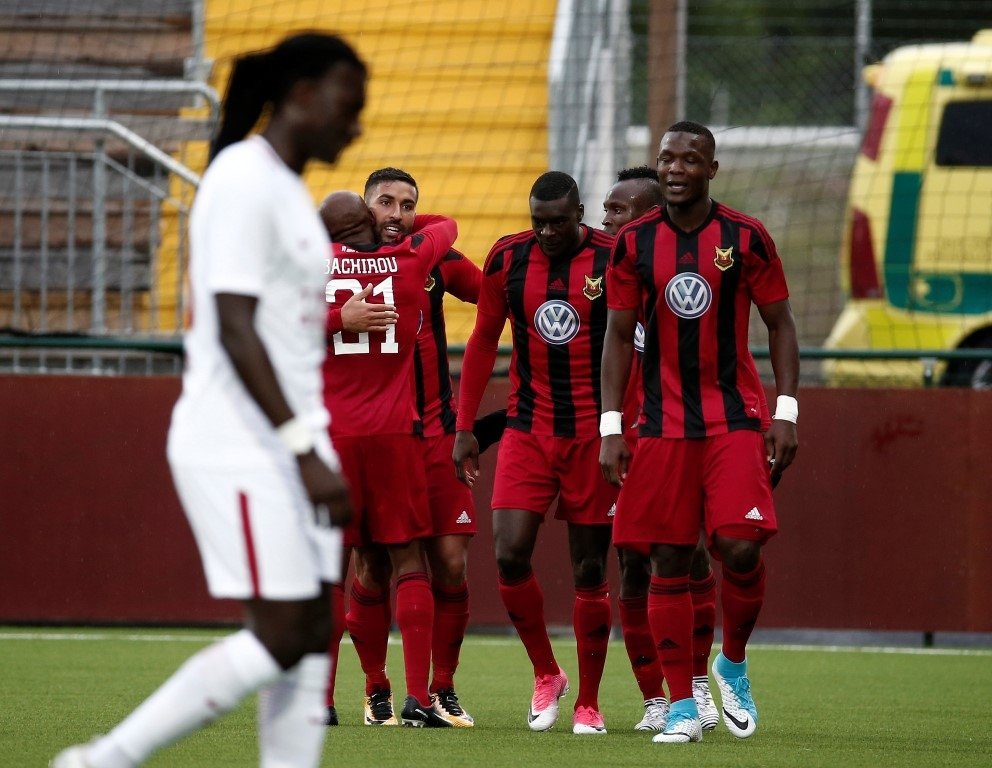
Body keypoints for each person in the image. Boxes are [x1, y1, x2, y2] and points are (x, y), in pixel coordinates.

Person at [52, 33, 366, 768]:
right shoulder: (242, 179)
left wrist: (312, 445)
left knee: (312, 627)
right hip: (241, 444)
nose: (356, 127)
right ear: (301, 97)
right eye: (348, 108)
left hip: (294, 441)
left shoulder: (287, 191)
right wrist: (300, 448)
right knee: (285, 632)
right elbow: (232, 327)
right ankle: (103, 759)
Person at [600, 121, 799, 744]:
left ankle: (731, 664)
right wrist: (612, 425)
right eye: (667, 158)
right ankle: (683, 705)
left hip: (733, 417)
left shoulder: (745, 237)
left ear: (712, 169)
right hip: (659, 424)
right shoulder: (633, 243)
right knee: (665, 557)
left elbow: (781, 324)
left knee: (740, 546)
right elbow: (616, 336)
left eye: (690, 159)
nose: (676, 167)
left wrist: (787, 411)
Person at [328, 168, 498, 729]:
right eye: (385, 202)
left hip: (436, 434)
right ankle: (378, 687)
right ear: (362, 209)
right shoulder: (389, 261)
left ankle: (440, 688)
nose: (397, 213)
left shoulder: (433, 263)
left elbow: (492, 301)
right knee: (372, 566)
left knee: (450, 562)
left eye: (408, 204)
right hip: (387, 432)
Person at [453, 171, 616, 735]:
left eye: (558, 222)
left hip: (596, 432)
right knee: (508, 554)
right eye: (538, 222)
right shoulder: (506, 259)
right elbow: (481, 340)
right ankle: (548, 673)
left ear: (580, 215)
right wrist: (464, 425)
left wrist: (628, 426)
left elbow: (635, 343)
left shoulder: (612, 258)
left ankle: (589, 701)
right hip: (528, 428)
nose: (546, 232)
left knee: (589, 567)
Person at [319, 190, 458, 728]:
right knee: (408, 563)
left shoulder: (311, 270)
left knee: (330, 571)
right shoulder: (411, 258)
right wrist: (398, 228)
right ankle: (418, 698)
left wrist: (336, 317)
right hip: (397, 433)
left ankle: (321, 701)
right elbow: (448, 224)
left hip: (333, 440)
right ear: (368, 220)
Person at [601, 167, 720, 733]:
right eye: (606, 210)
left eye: (619, 210)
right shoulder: (606, 271)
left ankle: (695, 683)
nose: (608, 221)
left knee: (689, 553)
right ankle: (658, 698)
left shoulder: (687, 273)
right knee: (630, 562)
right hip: (624, 439)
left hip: (680, 432)